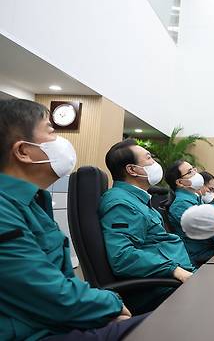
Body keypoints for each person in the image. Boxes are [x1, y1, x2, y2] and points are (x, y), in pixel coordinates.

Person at [0, 99, 146, 340]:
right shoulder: (5, 210)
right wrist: (111, 304)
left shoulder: (35, 202)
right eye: (51, 131)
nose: (61, 142)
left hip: (62, 321)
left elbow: (57, 282)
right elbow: (48, 294)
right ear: (23, 151)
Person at [99, 139, 196, 314]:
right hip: (162, 289)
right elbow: (122, 256)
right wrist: (174, 270)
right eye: (149, 158)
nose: (155, 163)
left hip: (175, 280)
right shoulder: (122, 203)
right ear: (132, 169)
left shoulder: (137, 200)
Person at [166, 162, 214, 267]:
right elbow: (210, 227)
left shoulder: (193, 198)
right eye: (190, 172)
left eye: (194, 169)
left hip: (207, 250)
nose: (196, 173)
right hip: (198, 256)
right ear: (180, 182)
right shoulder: (182, 203)